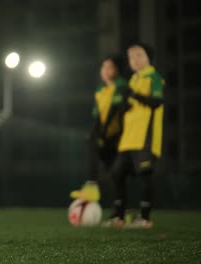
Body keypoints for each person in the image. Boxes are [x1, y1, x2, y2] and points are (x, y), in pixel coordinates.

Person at [103, 43, 164, 228]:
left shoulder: (154, 77)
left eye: (139, 55)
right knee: (116, 174)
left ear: (148, 57)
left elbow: (156, 101)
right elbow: (131, 104)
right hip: (128, 139)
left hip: (145, 137)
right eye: (131, 57)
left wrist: (133, 95)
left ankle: (145, 218)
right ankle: (118, 217)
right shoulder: (132, 80)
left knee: (145, 175)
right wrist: (124, 105)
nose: (135, 60)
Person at [70, 56, 127, 202]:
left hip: (121, 136)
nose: (105, 70)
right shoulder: (100, 89)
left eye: (110, 67)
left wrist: (101, 134)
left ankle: (93, 188)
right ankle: (95, 190)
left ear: (118, 70)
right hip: (106, 135)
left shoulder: (121, 85)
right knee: (112, 172)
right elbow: (98, 116)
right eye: (103, 67)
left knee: (120, 173)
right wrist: (95, 134)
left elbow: (115, 110)